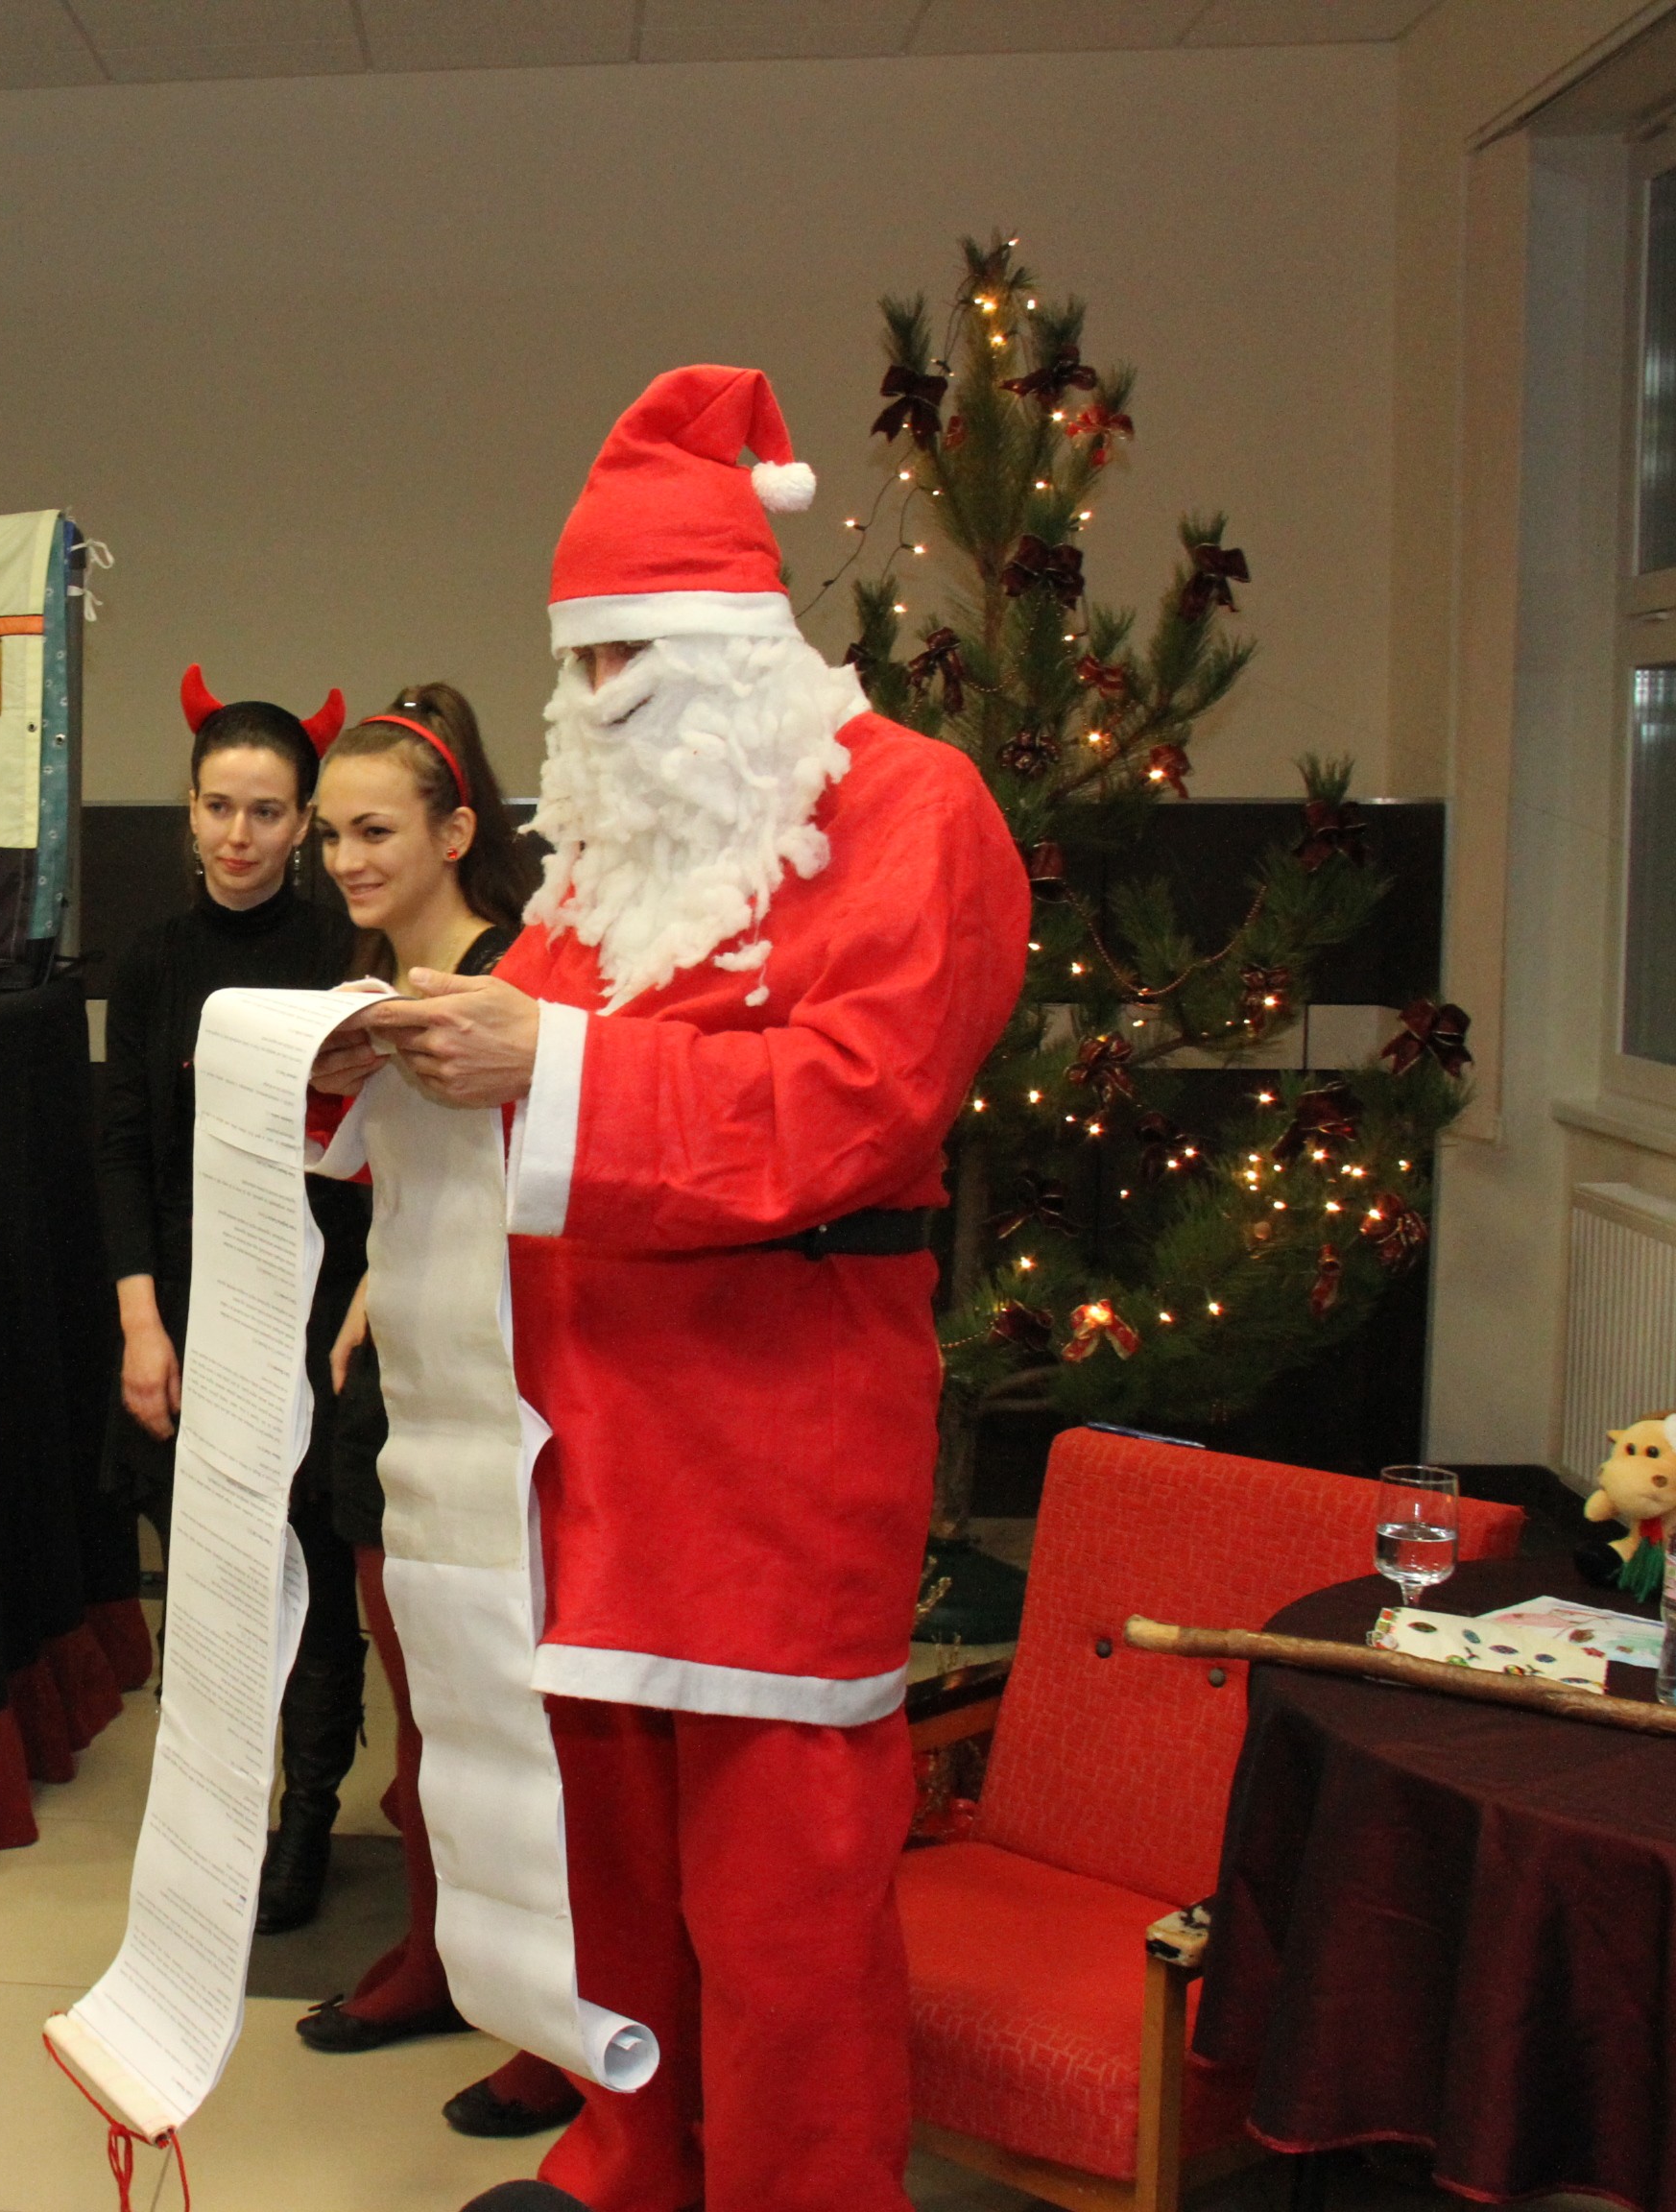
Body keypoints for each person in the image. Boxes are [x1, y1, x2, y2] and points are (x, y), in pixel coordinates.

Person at [323, 366, 1028, 2212]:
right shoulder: (613, 852)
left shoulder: (917, 812)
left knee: (786, 1897)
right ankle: (627, 2153)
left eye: (632, 654)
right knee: (607, 1856)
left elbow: (857, 1103)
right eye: (579, 661)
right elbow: (521, 1041)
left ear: (739, 646)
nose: (600, 693)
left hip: (778, 1458)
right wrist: (374, 1058)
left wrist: (541, 1063)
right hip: (585, 1450)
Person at [289, 689, 586, 2139]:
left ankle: (549, 2013)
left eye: (374, 831)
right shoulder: (371, 991)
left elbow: (557, 1176)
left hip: (511, 1400)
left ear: (457, 833)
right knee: (426, 1722)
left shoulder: (516, 987)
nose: (346, 859)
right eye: (331, 834)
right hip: (403, 1385)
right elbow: (387, 1176)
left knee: (514, 1726)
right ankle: (437, 1957)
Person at [96, 667, 368, 1932]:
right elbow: (121, 1151)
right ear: (190, 812)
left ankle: (305, 1820)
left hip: (312, 1312)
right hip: (185, 1314)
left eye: (266, 812)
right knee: (208, 1585)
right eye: (218, 808)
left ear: (304, 822)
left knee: (313, 1569)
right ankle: (211, 1821)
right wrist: (142, 1326)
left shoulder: (344, 957)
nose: (239, 835)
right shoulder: (153, 961)